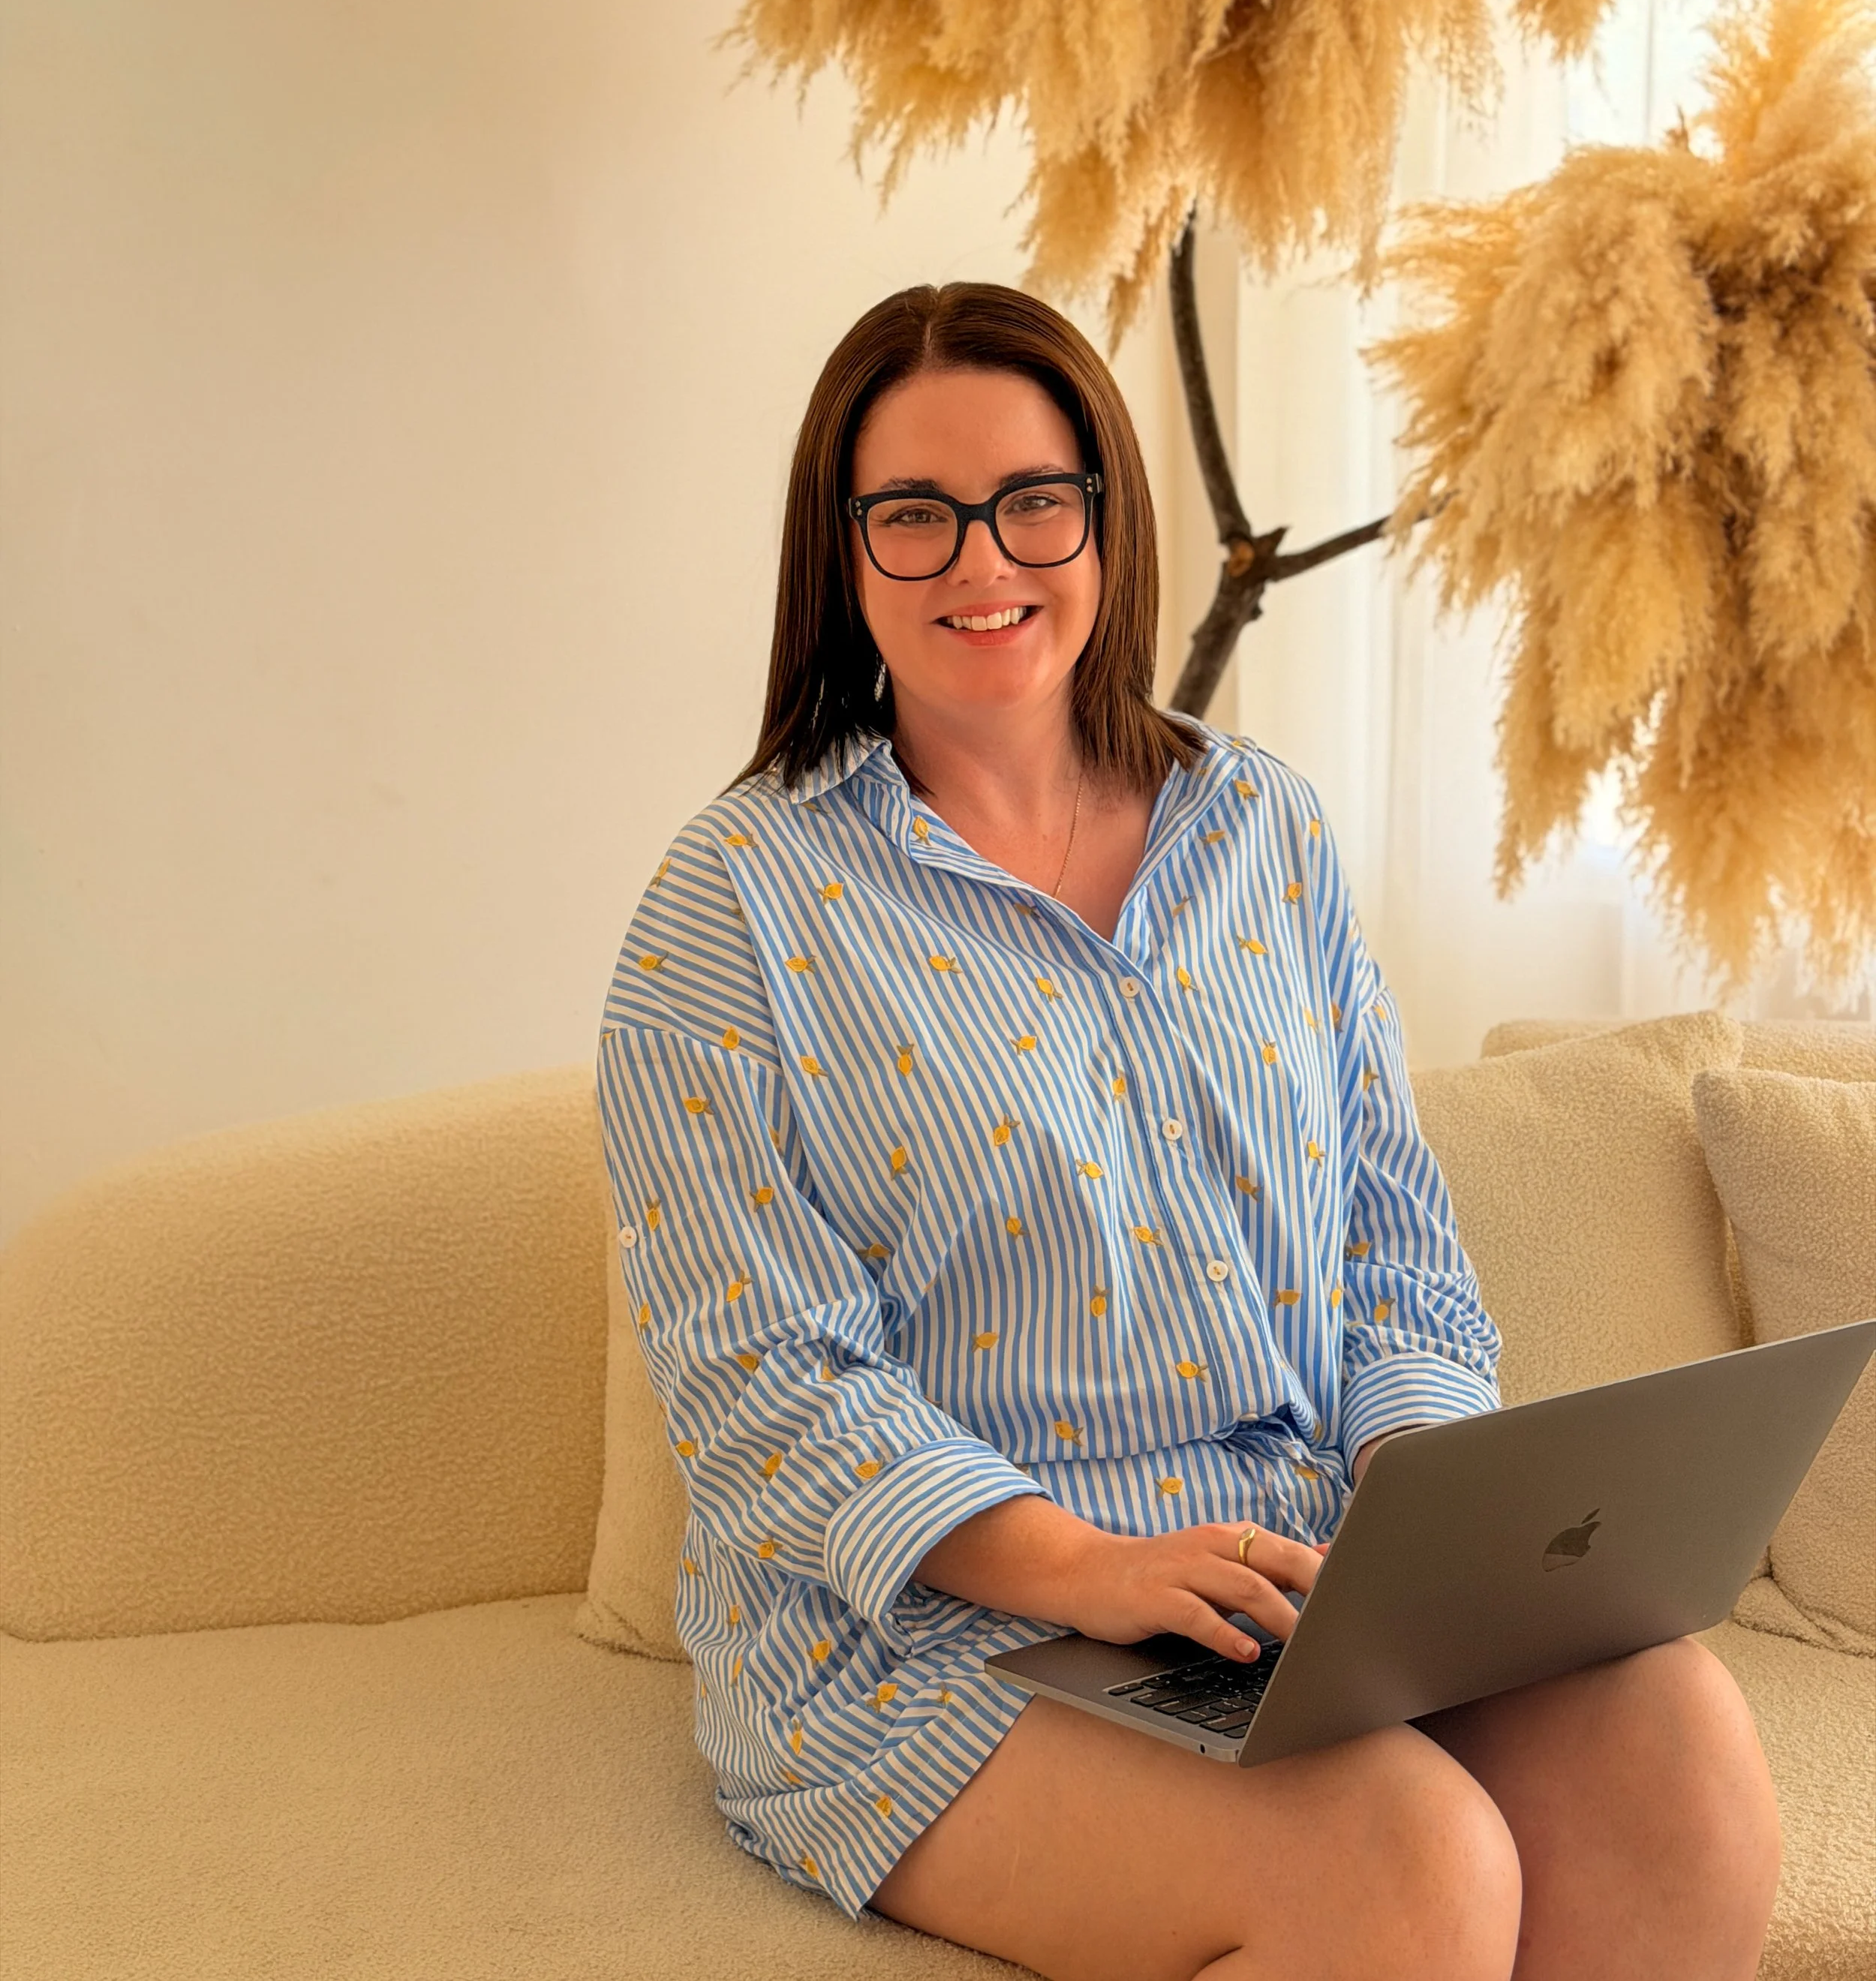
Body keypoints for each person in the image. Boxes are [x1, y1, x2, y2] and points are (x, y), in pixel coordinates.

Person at [596, 281, 1781, 1981]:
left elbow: (1392, 1246)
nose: (979, 561)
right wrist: (1079, 1566)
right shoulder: (730, 907)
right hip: (946, 1630)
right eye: (912, 514)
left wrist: (1420, 1501)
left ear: (1104, 516)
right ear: (841, 550)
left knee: (1681, 1749)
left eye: (1031, 501)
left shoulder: (1262, 829)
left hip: (1299, 1574)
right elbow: (761, 1386)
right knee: (1406, 1861)